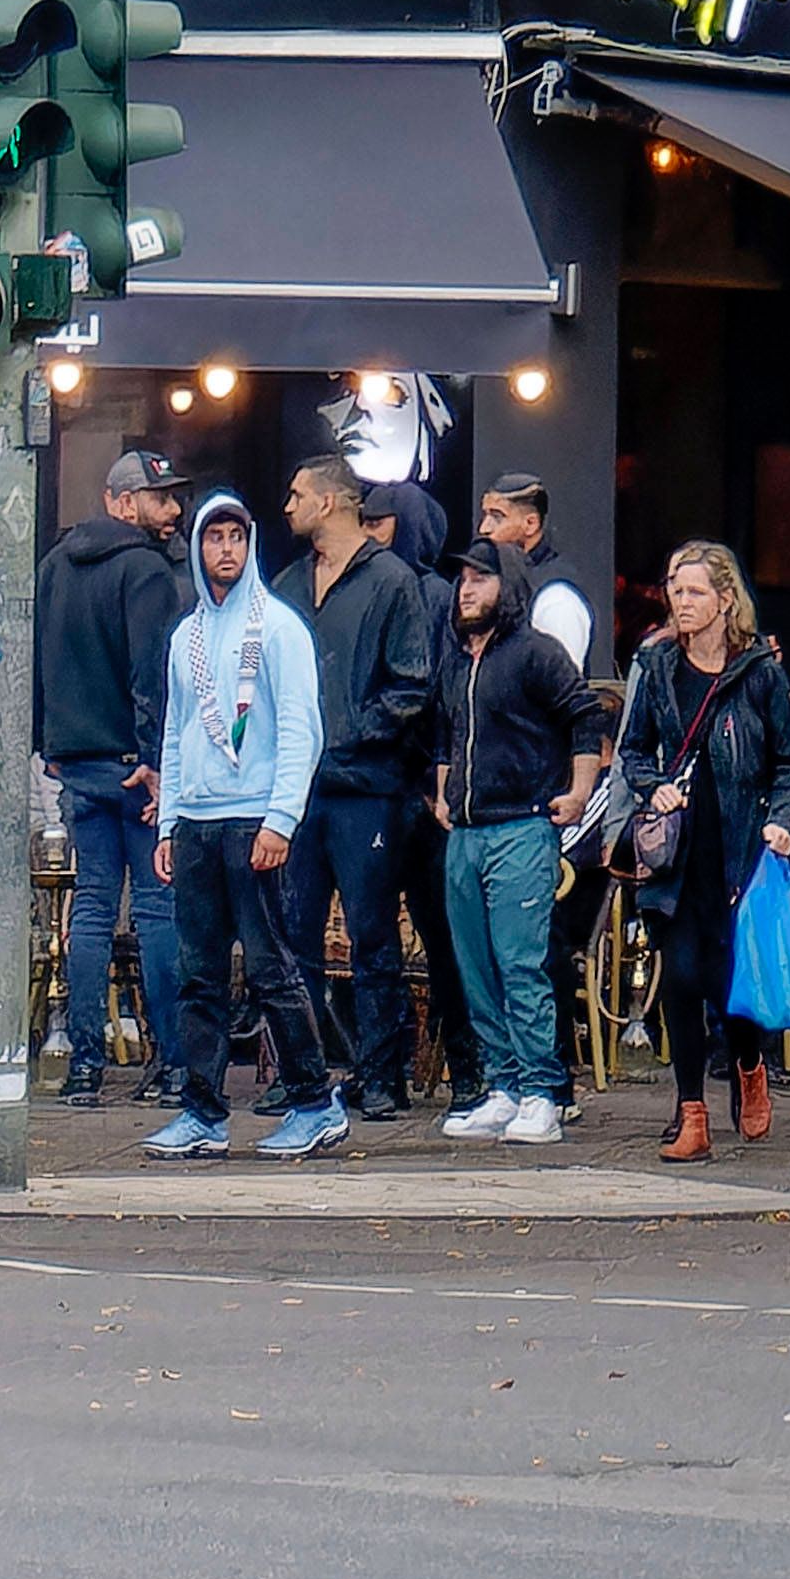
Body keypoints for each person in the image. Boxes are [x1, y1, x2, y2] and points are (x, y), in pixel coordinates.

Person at [143, 494, 329, 1160]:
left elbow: (303, 730)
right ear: (196, 549)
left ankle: (313, 1100)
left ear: (251, 546)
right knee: (199, 975)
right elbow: (175, 729)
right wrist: (168, 822)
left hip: (253, 817)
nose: (225, 549)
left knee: (273, 970)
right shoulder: (184, 637)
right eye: (214, 538)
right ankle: (202, 1111)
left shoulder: (278, 628)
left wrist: (281, 818)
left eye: (236, 537)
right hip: (195, 819)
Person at [614, 543, 790, 1163]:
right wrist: (651, 785)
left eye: (694, 591)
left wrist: (783, 822)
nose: (680, 600)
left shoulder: (758, 672)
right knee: (682, 977)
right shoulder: (659, 665)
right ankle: (692, 1113)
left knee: (730, 981)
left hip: (739, 843)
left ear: (726, 598)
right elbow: (634, 749)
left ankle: (749, 1063)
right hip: (676, 851)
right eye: (674, 587)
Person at [429, 540, 608, 1149]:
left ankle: (542, 1091)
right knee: (475, 967)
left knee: (520, 964)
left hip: (521, 828)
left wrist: (579, 791)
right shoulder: (457, 659)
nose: (467, 589)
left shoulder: (536, 653)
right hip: (468, 832)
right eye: (463, 581)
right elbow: (444, 732)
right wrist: (442, 794)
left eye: (481, 579)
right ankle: (502, 1086)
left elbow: (586, 715)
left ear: (508, 585)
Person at [287, 459, 441, 1123]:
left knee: (373, 934)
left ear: (327, 502)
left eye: (297, 495)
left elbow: (413, 682)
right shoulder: (290, 583)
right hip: (299, 787)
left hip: (365, 783)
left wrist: (348, 736)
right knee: (293, 935)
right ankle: (301, 1076)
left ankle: (382, 1076)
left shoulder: (391, 580)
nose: (287, 505)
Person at [38, 448, 191, 1109]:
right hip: (135, 767)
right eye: (162, 499)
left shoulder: (53, 565)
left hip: (75, 761)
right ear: (123, 502)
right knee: (157, 911)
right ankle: (174, 1063)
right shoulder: (146, 571)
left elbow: (38, 653)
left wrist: (50, 740)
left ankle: (83, 1067)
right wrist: (156, 758)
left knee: (93, 911)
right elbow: (150, 674)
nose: (175, 510)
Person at [476, 476, 596, 673]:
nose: (484, 528)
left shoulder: (557, 599)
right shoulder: (503, 580)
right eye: (485, 516)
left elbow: (558, 688)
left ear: (530, 524)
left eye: (497, 517)